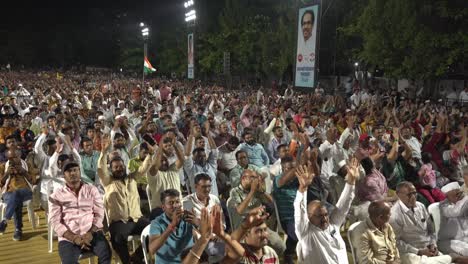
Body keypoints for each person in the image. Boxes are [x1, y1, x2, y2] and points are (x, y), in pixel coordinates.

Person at [294, 157, 359, 264]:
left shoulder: (333, 225)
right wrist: (303, 188)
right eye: (319, 216)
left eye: (325, 215)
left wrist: (351, 182)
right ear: (309, 217)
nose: (324, 219)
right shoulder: (306, 233)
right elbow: (299, 211)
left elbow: (343, 205)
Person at [97, 135, 151, 264]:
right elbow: (100, 170)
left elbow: (144, 167)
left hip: (137, 219)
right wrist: (103, 153)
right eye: (116, 167)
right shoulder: (108, 181)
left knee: (156, 230)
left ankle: (137, 257)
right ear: (111, 169)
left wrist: (150, 154)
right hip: (119, 222)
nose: (119, 169)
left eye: (121, 166)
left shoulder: (132, 178)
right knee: (116, 239)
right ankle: (127, 262)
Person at [48, 161, 111, 264]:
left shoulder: (92, 190)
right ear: (63, 175)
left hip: (92, 233)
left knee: (106, 255)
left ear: (80, 172)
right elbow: (55, 221)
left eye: (75, 170)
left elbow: (99, 214)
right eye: (69, 171)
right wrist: (74, 238)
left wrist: (90, 233)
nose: (73, 173)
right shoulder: (56, 196)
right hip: (69, 238)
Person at [390, 181, 453, 264]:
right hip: (411, 253)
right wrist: (419, 252)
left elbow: (431, 230)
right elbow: (396, 242)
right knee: (447, 260)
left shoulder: (421, 206)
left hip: (429, 249)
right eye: (409, 195)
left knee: (445, 260)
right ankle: (452, 258)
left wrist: (433, 244)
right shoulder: (394, 215)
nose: (413, 197)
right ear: (398, 195)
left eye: (414, 193)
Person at [148, 189, 197, 264]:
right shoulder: (156, 223)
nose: (175, 206)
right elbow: (152, 250)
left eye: (177, 202)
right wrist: (171, 227)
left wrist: (196, 222)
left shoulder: (187, 218)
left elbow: (205, 235)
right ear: (163, 207)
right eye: (171, 203)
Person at [0, 154, 33, 241]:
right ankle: (18, 229)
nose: (14, 159)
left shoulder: (27, 165)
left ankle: (5, 221)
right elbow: (1, 184)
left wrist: (24, 172)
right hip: (7, 193)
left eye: (16, 156)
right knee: (15, 197)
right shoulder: (3, 167)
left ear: (20, 156)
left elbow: (34, 180)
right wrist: (7, 173)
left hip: (26, 191)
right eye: (11, 158)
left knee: (16, 194)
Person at [438, 182, 468, 257]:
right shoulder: (443, 205)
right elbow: (455, 212)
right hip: (448, 241)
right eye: (457, 194)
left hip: (465, 239)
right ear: (447, 197)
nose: (460, 196)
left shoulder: (464, 202)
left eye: (460, 193)